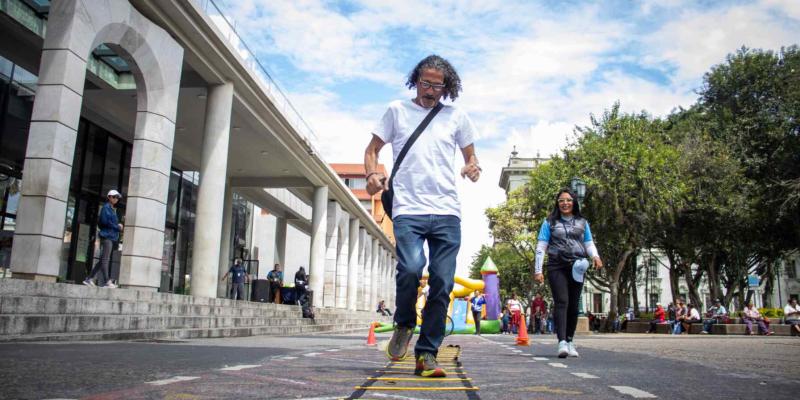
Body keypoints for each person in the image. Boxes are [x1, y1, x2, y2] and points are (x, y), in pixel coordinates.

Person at [364, 55, 480, 378]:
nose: (431, 91)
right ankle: (403, 324)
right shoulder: (397, 112)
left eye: (438, 85)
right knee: (412, 268)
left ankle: (427, 354)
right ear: (416, 80)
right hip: (408, 209)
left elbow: (472, 157)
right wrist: (372, 174)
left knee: (442, 282)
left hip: (446, 212)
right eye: (426, 83)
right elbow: (372, 150)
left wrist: (472, 167)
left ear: (447, 87)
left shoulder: (456, 117)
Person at [533, 188, 603, 358]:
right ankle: (562, 342)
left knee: (573, 305)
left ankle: (570, 341)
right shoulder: (549, 222)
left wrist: (596, 256)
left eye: (569, 200)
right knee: (562, 301)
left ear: (574, 202)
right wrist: (538, 270)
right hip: (556, 265)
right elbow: (541, 246)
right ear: (558, 204)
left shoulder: (582, 222)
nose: (565, 203)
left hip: (577, 266)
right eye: (562, 201)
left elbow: (588, 243)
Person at [83, 190, 123, 288]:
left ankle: (89, 279)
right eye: (114, 197)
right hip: (107, 236)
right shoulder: (106, 208)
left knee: (102, 260)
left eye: (117, 197)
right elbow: (104, 222)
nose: (116, 199)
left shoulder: (111, 209)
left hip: (110, 236)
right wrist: (117, 226)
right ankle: (107, 281)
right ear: (109, 197)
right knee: (105, 259)